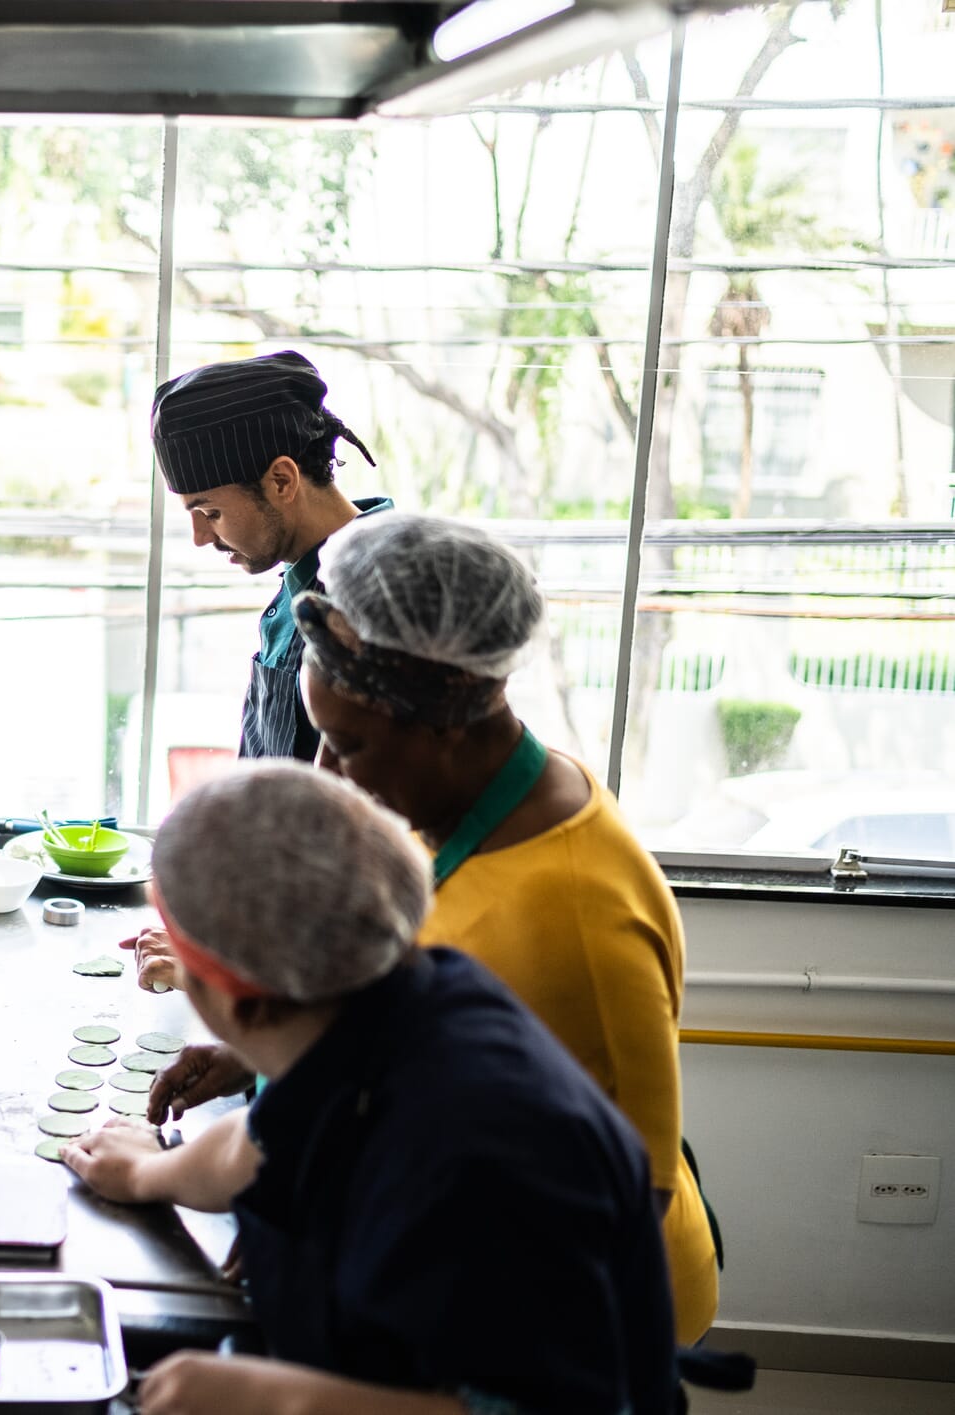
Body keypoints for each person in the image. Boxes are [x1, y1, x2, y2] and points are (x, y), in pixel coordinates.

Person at [146, 513, 720, 1342]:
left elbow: (634, 1187)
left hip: (578, 1305)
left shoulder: (574, 911)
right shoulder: (456, 802)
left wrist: (324, 1210)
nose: (327, 773)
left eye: (346, 744)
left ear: (442, 726)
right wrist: (258, 1051)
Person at [64, 763, 680, 1415]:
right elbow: (262, 1141)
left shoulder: (478, 1153)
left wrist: (278, 1397)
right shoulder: (382, 1006)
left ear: (239, 1001)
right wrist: (150, 1172)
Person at [126, 350, 391, 993]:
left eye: (210, 511)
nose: (200, 536)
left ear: (281, 479)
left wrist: (225, 966)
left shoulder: (377, 599)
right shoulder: (300, 579)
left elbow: (353, 847)